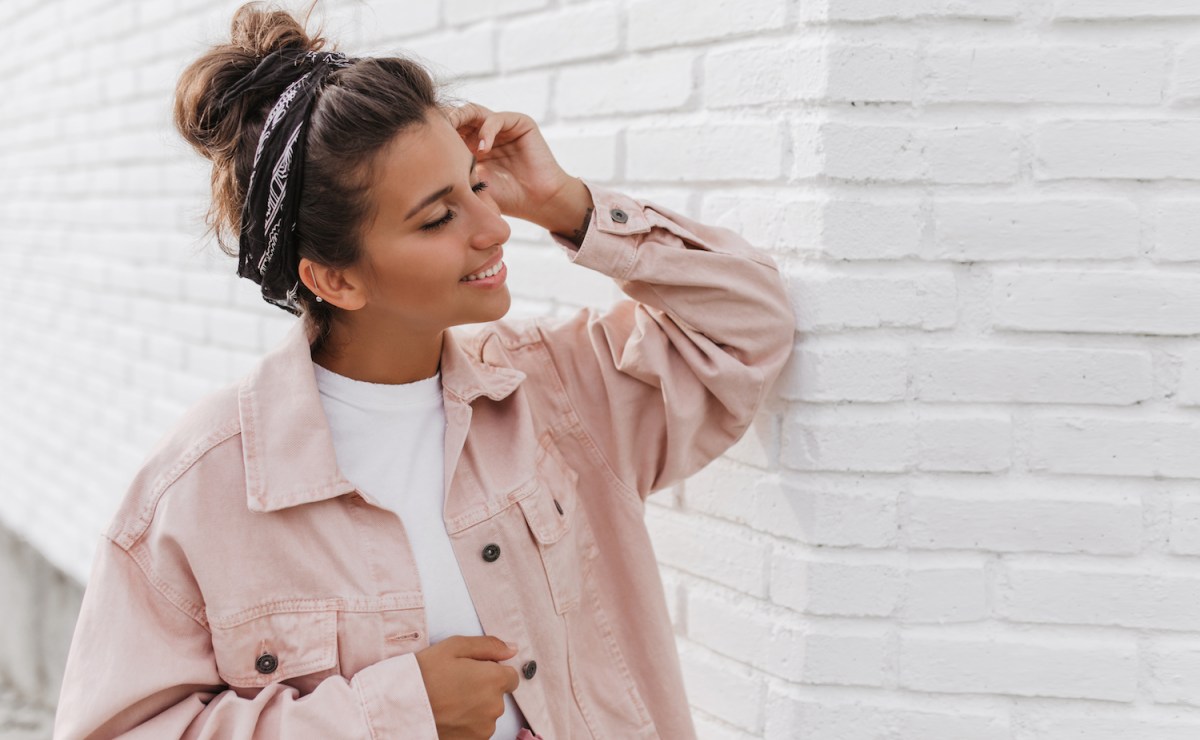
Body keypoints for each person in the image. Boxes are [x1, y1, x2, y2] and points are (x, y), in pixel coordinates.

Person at [53, 3, 795, 739]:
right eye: (438, 218)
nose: (495, 227)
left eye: (477, 184)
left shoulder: (558, 395)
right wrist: (393, 715)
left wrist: (565, 204)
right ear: (334, 280)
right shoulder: (204, 491)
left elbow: (748, 326)